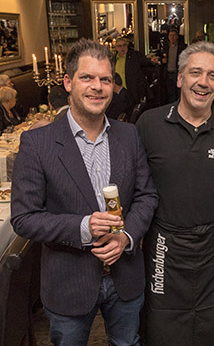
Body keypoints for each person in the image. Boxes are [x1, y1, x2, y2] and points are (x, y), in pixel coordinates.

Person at [10, 38, 157, 346]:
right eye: (87, 77)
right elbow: (24, 218)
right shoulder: (38, 144)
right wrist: (83, 226)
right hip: (69, 281)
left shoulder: (129, 135)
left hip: (125, 278)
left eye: (105, 79)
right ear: (68, 82)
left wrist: (126, 236)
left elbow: (146, 195)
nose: (97, 87)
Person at [137, 42, 214, 346]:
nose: (203, 82)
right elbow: (134, 184)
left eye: (213, 75)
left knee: (210, 320)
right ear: (180, 78)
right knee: (161, 322)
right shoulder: (149, 123)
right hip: (163, 245)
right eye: (195, 73)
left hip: (213, 244)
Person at [114, 36, 156, 105]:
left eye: (124, 45)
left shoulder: (134, 55)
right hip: (119, 93)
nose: (122, 48)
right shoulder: (114, 59)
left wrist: (151, 61)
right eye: (119, 46)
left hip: (132, 92)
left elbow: (144, 61)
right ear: (116, 48)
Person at [159, 27, 187, 103]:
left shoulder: (182, 47)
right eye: (171, 35)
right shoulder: (165, 47)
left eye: (174, 35)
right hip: (168, 74)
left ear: (177, 37)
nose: (172, 37)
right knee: (170, 95)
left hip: (177, 74)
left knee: (179, 94)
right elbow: (160, 58)